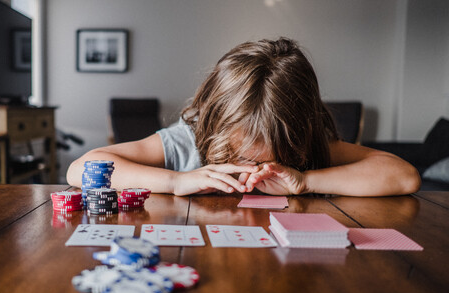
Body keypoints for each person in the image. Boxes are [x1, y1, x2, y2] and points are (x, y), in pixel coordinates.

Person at [67, 37, 421, 197]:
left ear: (298, 136)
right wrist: (175, 182)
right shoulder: (186, 140)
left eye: (266, 159)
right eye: (235, 155)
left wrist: (307, 182)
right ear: (213, 123)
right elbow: (78, 169)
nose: (247, 170)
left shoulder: (309, 147)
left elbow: (405, 177)